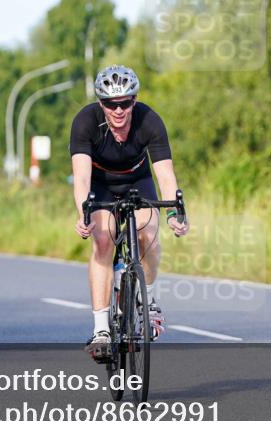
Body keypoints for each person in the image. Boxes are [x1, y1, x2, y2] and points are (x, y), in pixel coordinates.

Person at [70, 65, 189, 361]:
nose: (119, 110)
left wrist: (175, 212)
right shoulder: (85, 122)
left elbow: (165, 174)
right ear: (101, 104)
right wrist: (83, 214)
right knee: (102, 240)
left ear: (134, 101)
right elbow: (82, 177)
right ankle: (101, 330)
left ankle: (150, 301)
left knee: (148, 231)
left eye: (125, 103)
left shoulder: (150, 121)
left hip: (138, 180)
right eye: (111, 104)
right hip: (101, 184)